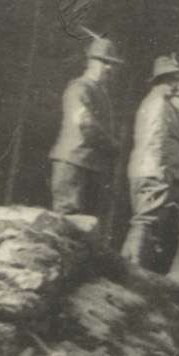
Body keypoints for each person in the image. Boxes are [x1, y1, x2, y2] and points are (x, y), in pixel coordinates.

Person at [123, 58, 179, 275]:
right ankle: (131, 270)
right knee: (145, 221)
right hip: (154, 172)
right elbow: (155, 142)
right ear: (163, 80)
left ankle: (134, 269)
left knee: (150, 224)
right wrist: (162, 176)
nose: (176, 84)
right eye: (173, 79)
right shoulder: (158, 105)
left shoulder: (159, 104)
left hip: (153, 171)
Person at [47, 32, 124, 224]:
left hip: (90, 165)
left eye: (112, 64)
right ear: (91, 62)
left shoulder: (100, 93)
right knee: (68, 222)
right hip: (73, 164)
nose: (109, 68)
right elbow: (85, 123)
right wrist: (111, 144)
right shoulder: (79, 88)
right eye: (104, 62)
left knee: (86, 225)